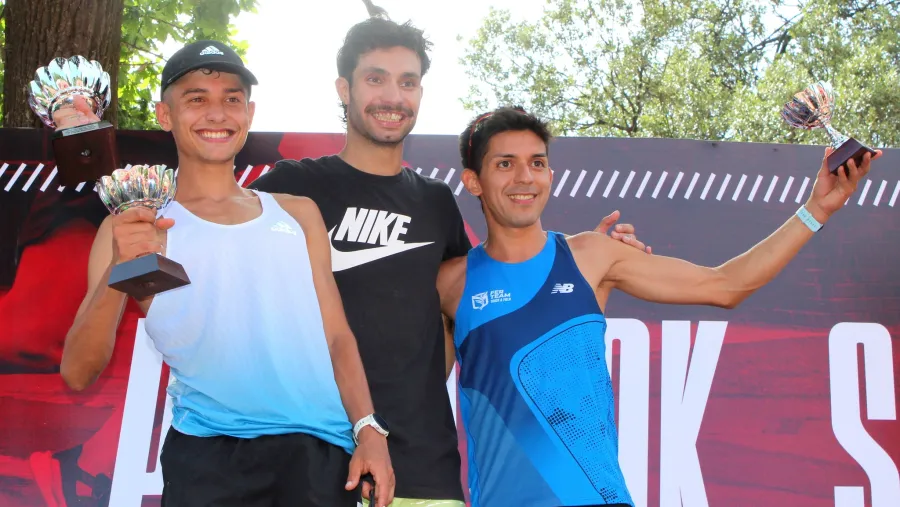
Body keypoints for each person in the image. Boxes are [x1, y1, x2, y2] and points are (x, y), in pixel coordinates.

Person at [248, 8, 650, 506]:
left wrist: (590, 254)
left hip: (420, 471)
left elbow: (482, 299)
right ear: (343, 88)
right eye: (376, 79)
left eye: (408, 82)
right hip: (309, 463)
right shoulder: (289, 188)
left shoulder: (436, 203)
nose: (393, 97)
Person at [436, 106, 882, 507]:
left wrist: (816, 210)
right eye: (504, 164)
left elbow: (727, 285)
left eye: (537, 163)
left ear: (550, 174)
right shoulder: (449, 283)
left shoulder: (592, 256)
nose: (524, 178)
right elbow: (411, 391)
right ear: (473, 180)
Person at [54, 40, 394, 507]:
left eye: (231, 99)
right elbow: (78, 371)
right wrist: (121, 263)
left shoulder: (298, 213)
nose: (217, 113)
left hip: (318, 455)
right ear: (165, 115)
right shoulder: (132, 224)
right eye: (196, 99)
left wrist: (369, 428)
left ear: (249, 114)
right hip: (208, 460)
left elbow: (336, 336)